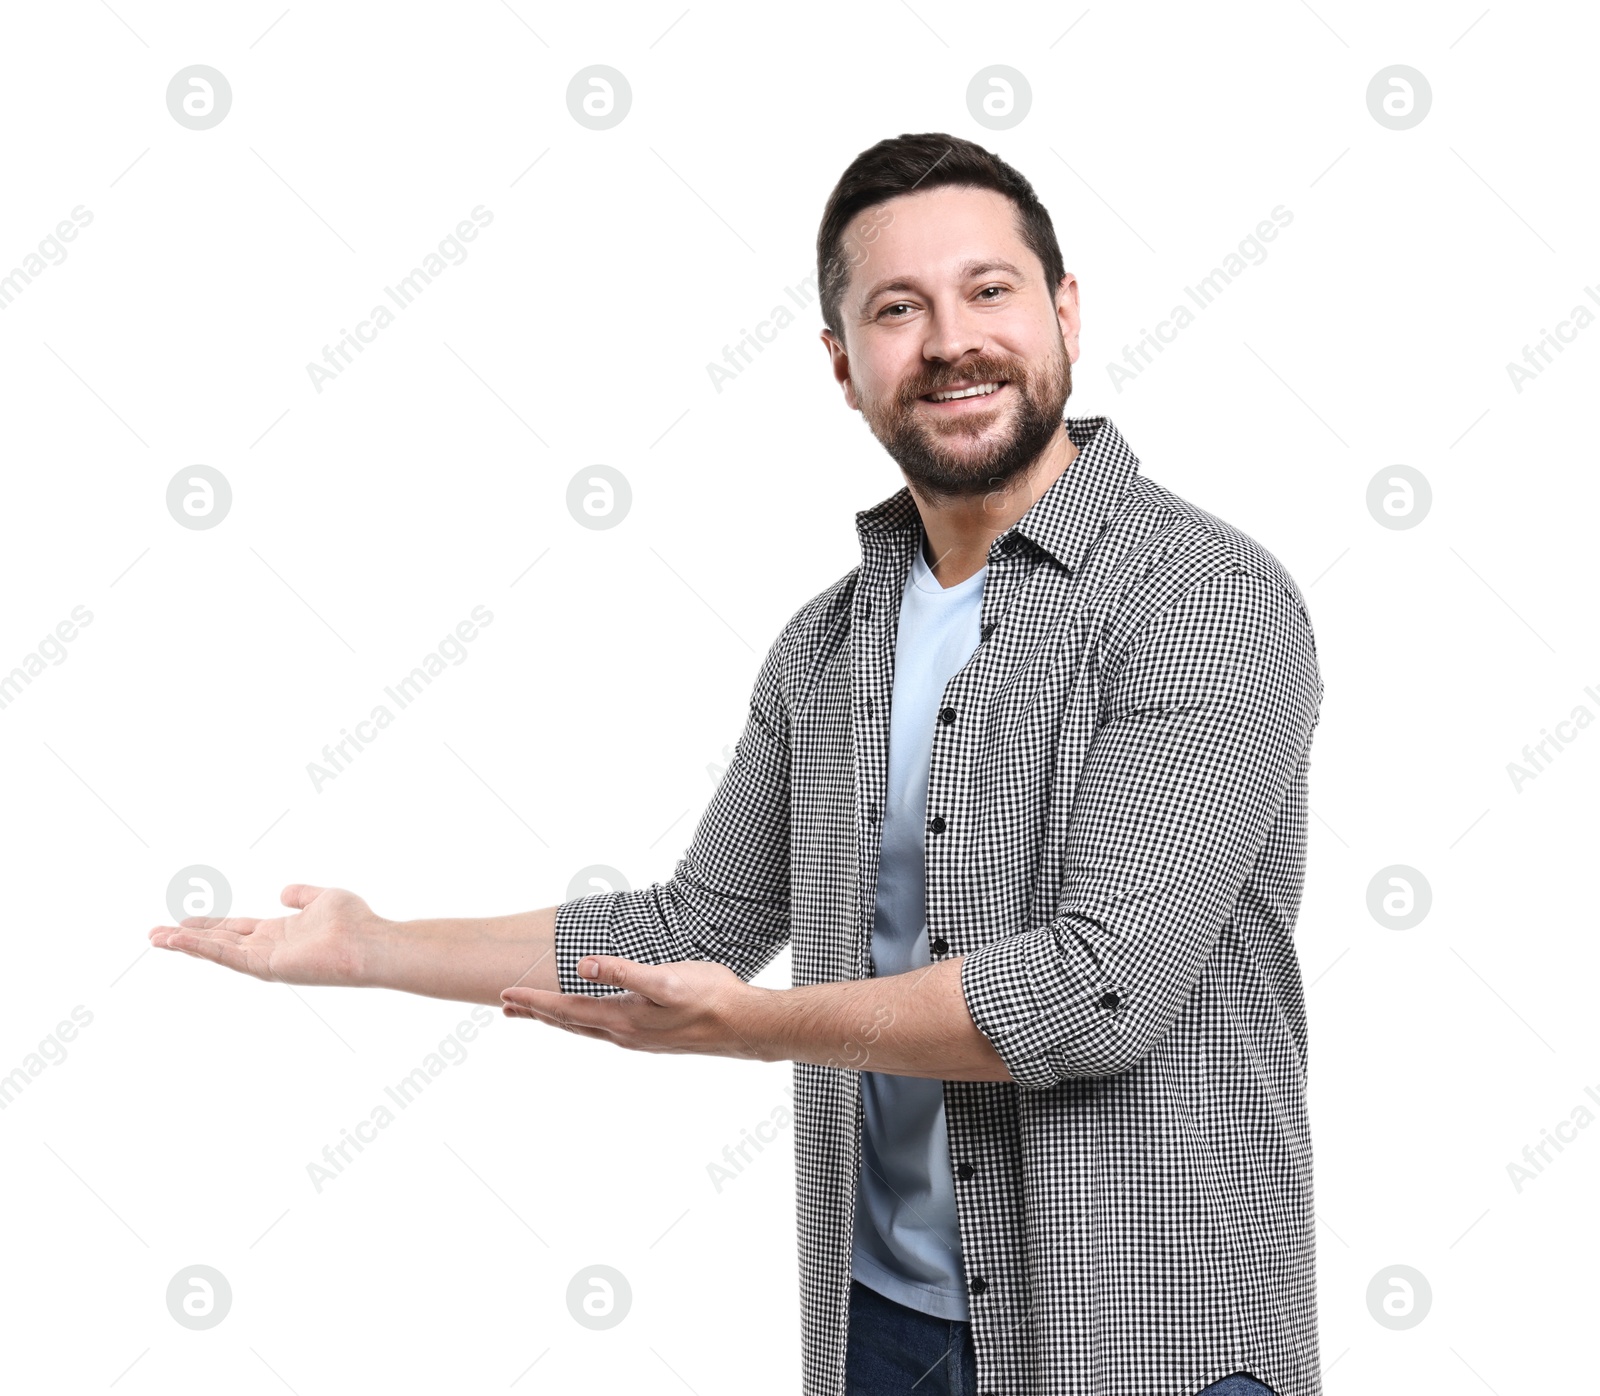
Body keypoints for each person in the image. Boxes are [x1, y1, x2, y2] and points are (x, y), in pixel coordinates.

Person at [149, 132, 1324, 1396]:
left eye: (989, 291)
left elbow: (1094, 993)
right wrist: (373, 948)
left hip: (1154, 1342)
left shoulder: (1204, 599)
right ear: (843, 366)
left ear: (1064, 312)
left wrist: (757, 1030)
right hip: (885, 1328)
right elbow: (697, 919)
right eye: (896, 309)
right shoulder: (828, 645)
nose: (950, 341)